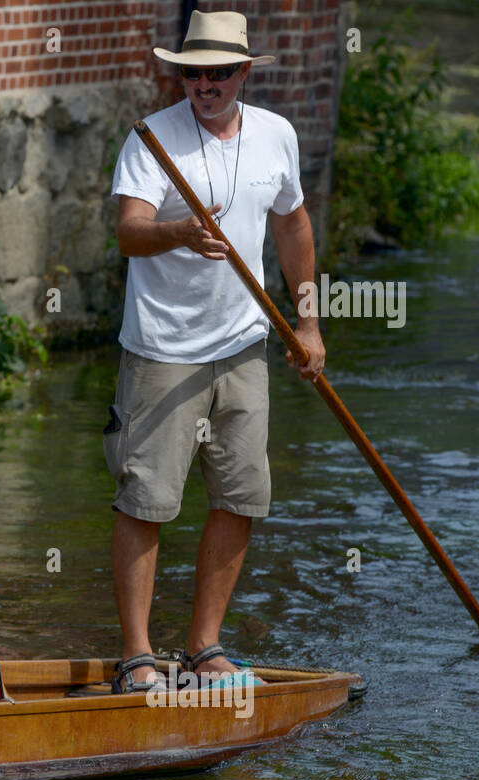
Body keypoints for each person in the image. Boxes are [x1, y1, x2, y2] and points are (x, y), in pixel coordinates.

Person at [106, 10, 325, 693]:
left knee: (240, 495)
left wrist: (309, 321)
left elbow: (291, 225)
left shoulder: (275, 135)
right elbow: (129, 232)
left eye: (219, 72)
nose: (205, 84)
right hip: (162, 346)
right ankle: (139, 656)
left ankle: (205, 648)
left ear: (243, 72)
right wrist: (176, 233)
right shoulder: (151, 138)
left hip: (244, 345)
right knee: (146, 499)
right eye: (193, 73)